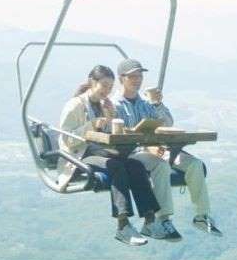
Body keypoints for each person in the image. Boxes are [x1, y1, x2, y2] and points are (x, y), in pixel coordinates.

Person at [58, 65, 168, 246]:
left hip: (101, 151)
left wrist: (110, 117)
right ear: (92, 83)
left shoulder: (104, 104)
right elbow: (67, 141)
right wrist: (92, 124)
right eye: (104, 86)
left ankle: (149, 220)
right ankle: (123, 224)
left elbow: (107, 134)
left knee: (135, 165)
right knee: (115, 166)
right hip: (80, 155)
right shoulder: (75, 105)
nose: (108, 91)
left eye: (110, 87)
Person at [113, 58, 223, 239]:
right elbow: (113, 132)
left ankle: (202, 216)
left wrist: (157, 104)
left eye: (139, 75)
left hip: (155, 148)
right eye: (132, 76)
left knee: (194, 164)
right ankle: (163, 218)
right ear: (121, 78)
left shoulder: (144, 104)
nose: (137, 79)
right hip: (134, 153)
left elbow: (168, 123)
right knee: (161, 165)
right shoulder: (115, 105)